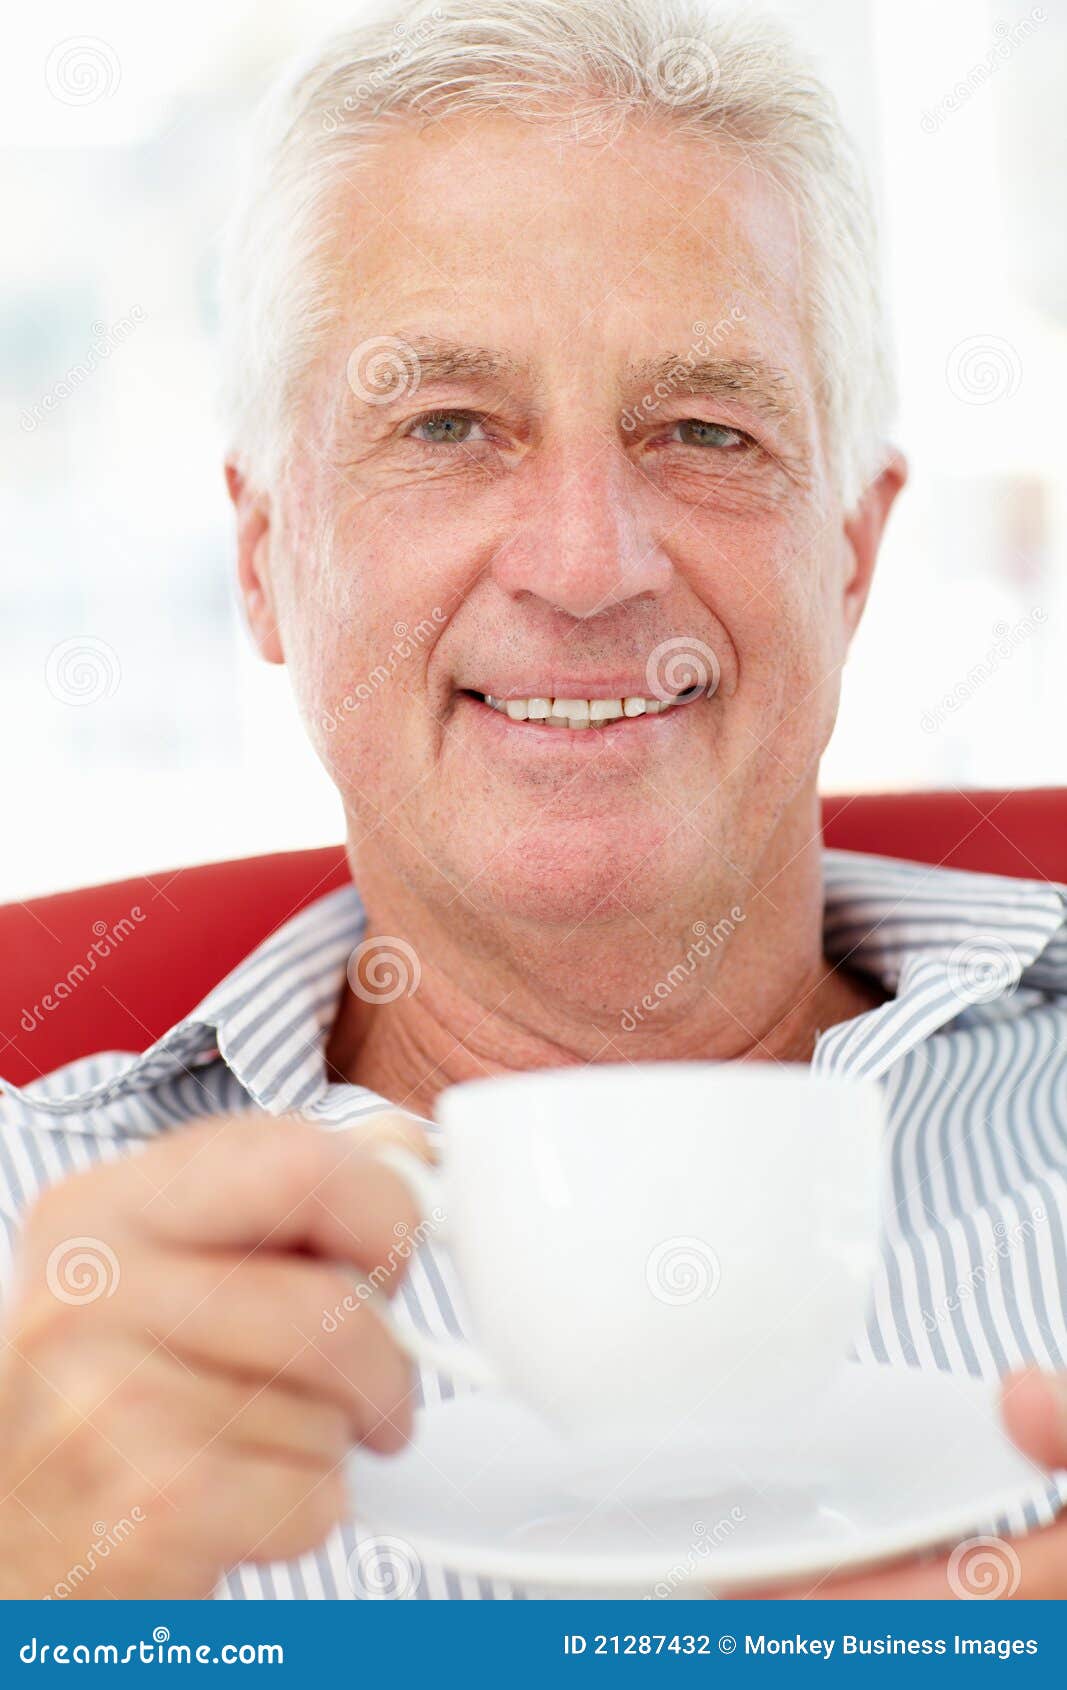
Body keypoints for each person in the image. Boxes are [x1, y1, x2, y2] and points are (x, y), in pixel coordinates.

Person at [1, 0, 1064, 1601]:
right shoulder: (42, 1266)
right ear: (265, 561)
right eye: (445, 425)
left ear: (852, 554)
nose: (585, 564)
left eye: (704, 428)